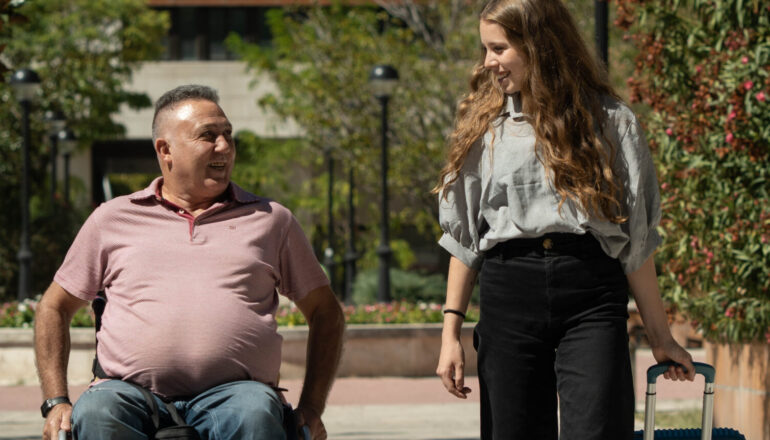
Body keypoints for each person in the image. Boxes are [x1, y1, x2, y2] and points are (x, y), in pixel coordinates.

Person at [434, 1, 695, 439]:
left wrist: (660, 336)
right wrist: (450, 335)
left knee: (597, 430)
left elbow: (636, 241)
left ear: (537, 44)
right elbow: (464, 239)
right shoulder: (485, 128)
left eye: (499, 48)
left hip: (591, 296)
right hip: (508, 295)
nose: (488, 63)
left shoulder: (611, 123)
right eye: (486, 49)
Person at [34, 84, 345, 440]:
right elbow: (53, 307)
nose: (225, 147)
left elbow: (325, 311)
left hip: (236, 395)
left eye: (228, 135)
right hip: (126, 394)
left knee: (256, 413)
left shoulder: (272, 219)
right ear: (165, 150)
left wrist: (312, 406)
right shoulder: (112, 218)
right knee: (98, 412)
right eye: (208, 136)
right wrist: (55, 401)